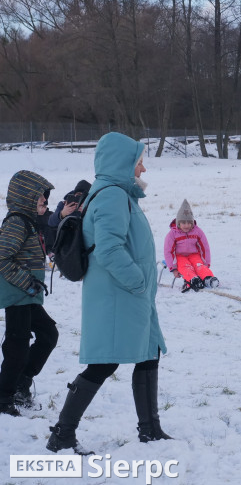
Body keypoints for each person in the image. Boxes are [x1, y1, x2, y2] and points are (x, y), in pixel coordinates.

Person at [46, 132, 170, 454]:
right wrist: (138, 282)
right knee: (104, 363)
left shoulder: (115, 193)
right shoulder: (113, 196)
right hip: (120, 294)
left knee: (148, 351)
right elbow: (109, 249)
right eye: (138, 162)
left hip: (126, 295)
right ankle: (62, 434)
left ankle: (150, 429)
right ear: (121, 162)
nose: (142, 169)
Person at [0, 171, 58, 416]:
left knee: (48, 334)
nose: (45, 201)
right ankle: (4, 397)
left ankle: (21, 383)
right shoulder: (17, 222)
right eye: (40, 197)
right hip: (18, 295)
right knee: (17, 346)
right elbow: (2, 257)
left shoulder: (29, 220)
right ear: (26, 197)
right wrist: (27, 282)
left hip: (28, 295)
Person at [163, 199, 218, 292]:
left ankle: (208, 279)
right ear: (178, 223)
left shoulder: (197, 231)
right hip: (180, 256)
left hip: (194, 255)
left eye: (189, 223)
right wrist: (173, 269)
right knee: (185, 267)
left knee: (199, 266)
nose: (187, 225)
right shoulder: (172, 234)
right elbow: (168, 251)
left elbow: (204, 247)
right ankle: (193, 279)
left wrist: (206, 263)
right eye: (183, 223)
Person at [44, 179, 91, 255]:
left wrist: (86, 211)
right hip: (66, 240)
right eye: (77, 195)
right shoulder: (64, 204)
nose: (79, 198)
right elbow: (51, 222)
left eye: (82, 196)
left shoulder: (91, 206)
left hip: (84, 240)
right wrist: (62, 213)